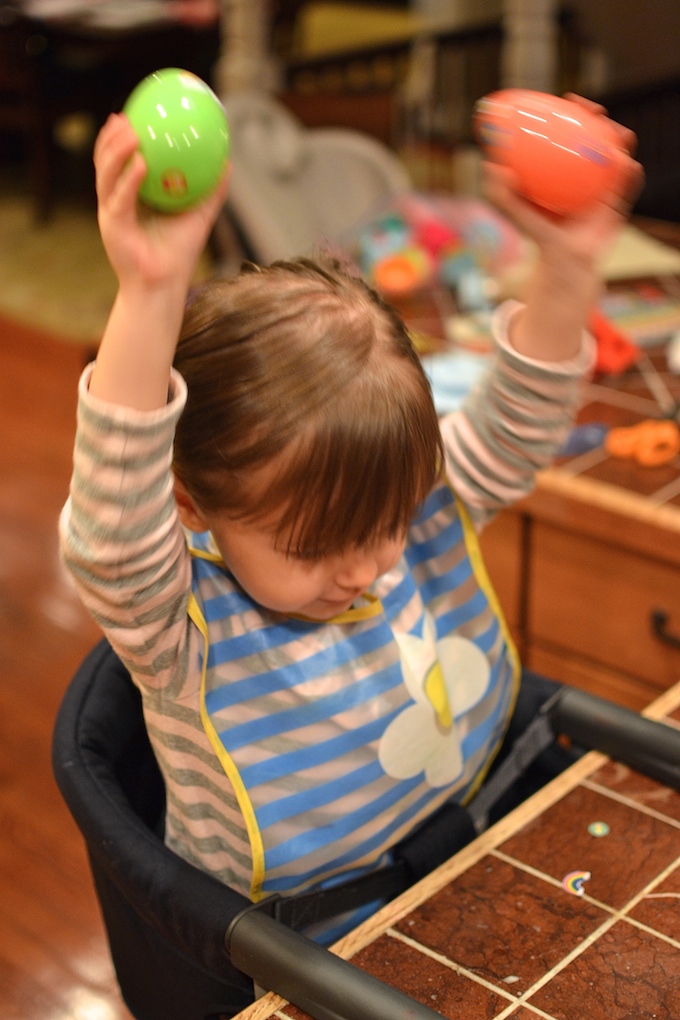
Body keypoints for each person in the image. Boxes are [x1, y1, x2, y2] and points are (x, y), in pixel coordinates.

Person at [60, 102, 641, 950]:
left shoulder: (403, 512)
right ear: (192, 506)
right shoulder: (178, 624)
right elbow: (113, 528)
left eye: (389, 522)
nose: (368, 568)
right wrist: (152, 291)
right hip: (305, 957)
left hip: (462, 873)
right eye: (312, 548)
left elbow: (517, 422)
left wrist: (565, 269)